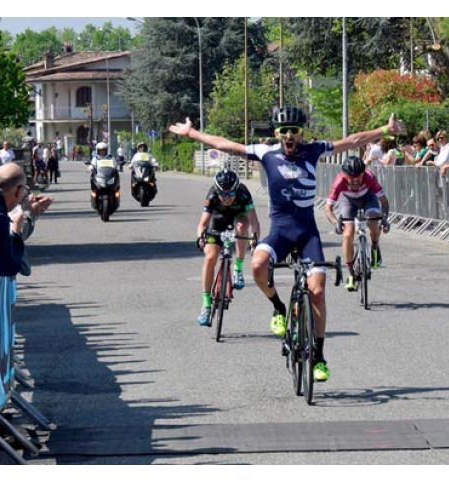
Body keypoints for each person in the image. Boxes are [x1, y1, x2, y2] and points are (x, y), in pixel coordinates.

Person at [170, 106, 403, 383]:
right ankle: (279, 307)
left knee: (317, 291)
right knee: (257, 265)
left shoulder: (314, 150)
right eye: (284, 131)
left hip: (307, 233)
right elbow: (225, 145)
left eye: (294, 131)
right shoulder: (265, 152)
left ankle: (318, 356)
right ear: (277, 133)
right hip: (280, 231)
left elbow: (352, 140)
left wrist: (384, 130)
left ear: (301, 132)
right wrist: (192, 133)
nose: (289, 136)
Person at [194, 169, 261, 326]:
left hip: (238, 217)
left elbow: (254, 222)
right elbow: (202, 224)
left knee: (242, 228)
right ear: (217, 191)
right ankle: (206, 304)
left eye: (230, 194)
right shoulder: (212, 195)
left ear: (236, 190)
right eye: (222, 194)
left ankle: (238, 267)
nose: (226, 198)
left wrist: (254, 241)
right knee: (210, 257)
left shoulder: (243, 193)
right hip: (217, 220)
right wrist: (200, 237)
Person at [323, 156, 390, 290]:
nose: (355, 180)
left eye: (358, 176)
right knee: (348, 234)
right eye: (351, 177)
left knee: (373, 220)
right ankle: (351, 274)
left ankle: (375, 245)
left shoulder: (369, 177)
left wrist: (384, 219)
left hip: (368, 198)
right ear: (345, 175)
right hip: (348, 201)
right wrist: (336, 223)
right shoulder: (339, 181)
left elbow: (384, 201)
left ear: (363, 173)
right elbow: (328, 208)